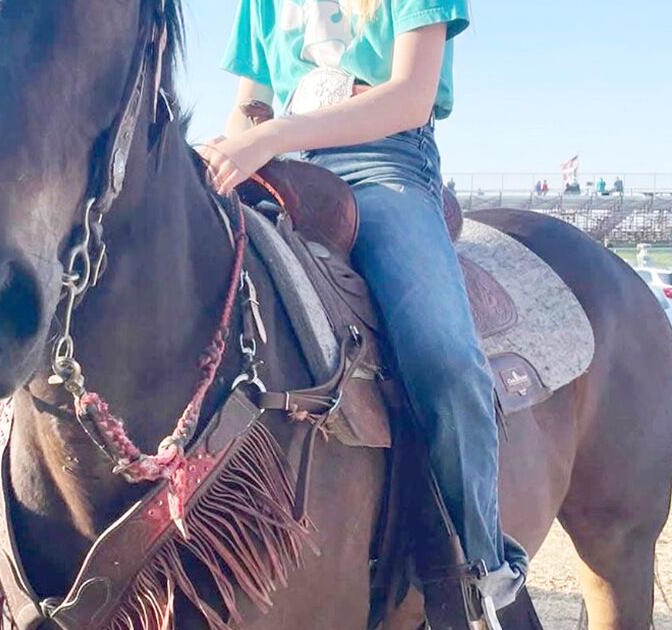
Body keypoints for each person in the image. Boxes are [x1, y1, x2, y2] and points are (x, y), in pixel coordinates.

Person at [201, 0, 524, 620]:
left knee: (444, 357)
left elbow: (410, 97)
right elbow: (251, 100)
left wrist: (274, 134)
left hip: (384, 165)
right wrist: (231, 148)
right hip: (279, 166)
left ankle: (484, 566)